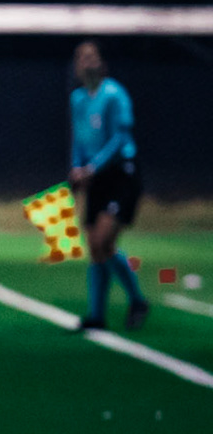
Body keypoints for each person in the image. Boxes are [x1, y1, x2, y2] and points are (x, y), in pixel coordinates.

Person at [68, 41, 148, 332]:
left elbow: (118, 138)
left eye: (91, 57)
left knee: (104, 240)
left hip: (121, 173)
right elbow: (78, 138)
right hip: (95, 177)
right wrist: (77, 167)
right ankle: (97, 315)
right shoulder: (77, 99)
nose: (86, 62)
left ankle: (138, 299)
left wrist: (91, 168)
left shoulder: (115, 94)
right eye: (80, 58)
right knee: (96, 247)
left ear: (102, 64)